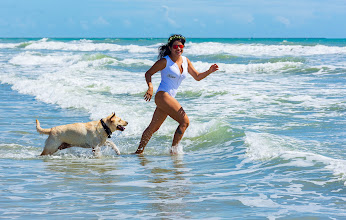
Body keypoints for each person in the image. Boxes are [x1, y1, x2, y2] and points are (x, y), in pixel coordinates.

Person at [134, 34, 219, 154]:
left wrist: (209, 71)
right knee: (185, 122)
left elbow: (197, 77)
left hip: (169, 98)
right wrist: (150, 87)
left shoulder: (185, 61)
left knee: (153, 127)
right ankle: (174, 151)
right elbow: (148, 73)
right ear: (169, 47)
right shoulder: (165, 61)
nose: (178, 48)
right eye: (175, 46)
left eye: (181, 46)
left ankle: (139, 152)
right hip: (162, 95)